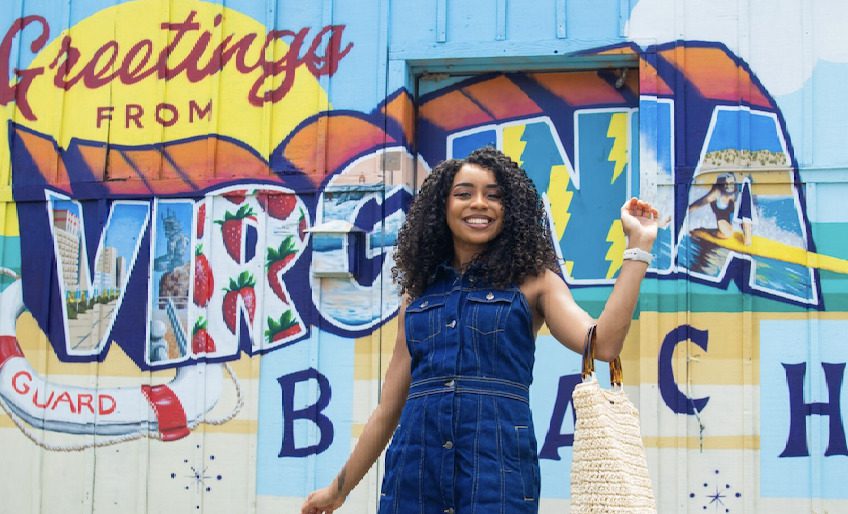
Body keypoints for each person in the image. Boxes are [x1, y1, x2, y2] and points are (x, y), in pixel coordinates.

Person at [301, 147, 658, 514]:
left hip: (497, 478)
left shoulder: (535, 282)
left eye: (494, 195)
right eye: (464, 193)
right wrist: (338, 490)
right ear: (442, 206)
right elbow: (388, 409)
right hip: (414, 478)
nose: (479, 204)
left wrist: (638, 248)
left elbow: (603, 345)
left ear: (511, 209)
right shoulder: (418, 293)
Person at [688, 172, 752, 245]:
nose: (729, 186)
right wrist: (683, 215)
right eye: (726, 184)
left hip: (731, 216)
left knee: (746, 221)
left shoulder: (736, 191)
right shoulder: (715, 194)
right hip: (721, 217)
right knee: (728, 234)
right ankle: (708, 232)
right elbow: (697, 204)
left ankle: (744, 235)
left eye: (731, 183)